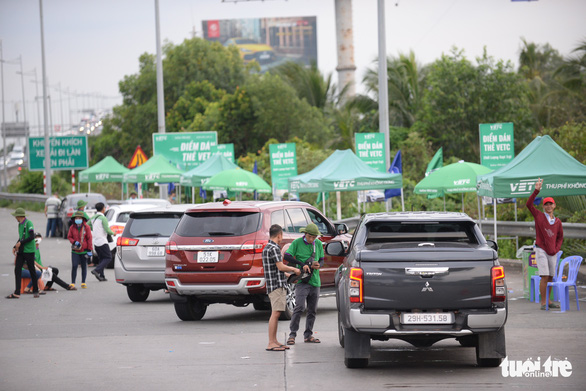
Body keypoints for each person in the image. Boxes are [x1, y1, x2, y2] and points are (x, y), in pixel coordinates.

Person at [262, 224, 301, 352]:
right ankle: (270, 343)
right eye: (281, 236)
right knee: (276, 313)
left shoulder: (267, 247)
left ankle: (274, 341)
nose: (281, 238)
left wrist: (286, 274)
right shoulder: (274, 248)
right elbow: (280, 266)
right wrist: (293, 269)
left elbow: (274, 268)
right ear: (279, 235)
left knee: (276, 313)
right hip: (276, 285)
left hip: (274, 283)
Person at [527, 178, 564, 310]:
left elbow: (560, 237)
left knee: (551, 276)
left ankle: (548, 301)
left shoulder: (558, 222)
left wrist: (556, 248)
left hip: (552, 251)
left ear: (554, 206)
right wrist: (536, 191)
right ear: (543, 206)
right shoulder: (539, 216)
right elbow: (529, 204)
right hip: (540, 249)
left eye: (551, 204)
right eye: (546, 204)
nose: (549, 206)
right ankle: (543, 303)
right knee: (544, 275)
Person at [285, 223, 324, 345]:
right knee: (299, 307)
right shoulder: (297, 243)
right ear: (305, 234)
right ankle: (292, 334)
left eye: (314, 237)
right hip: (302, 281)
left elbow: (322, 259)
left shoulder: (317, 244)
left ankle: (308, 335)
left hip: (315, 281)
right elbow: (287, 256)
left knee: (312, 310)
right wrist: (302, 264)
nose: (312, 239)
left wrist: (318, 265)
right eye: (310, 237)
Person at [6, 208, 40, 299]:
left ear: (20, 216)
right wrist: (15, 246)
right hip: (22, 250)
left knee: (32, 269)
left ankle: (36, 290)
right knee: (17, 269)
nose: (15, 218)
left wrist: (21, 243)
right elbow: (21, 237)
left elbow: (32, 236)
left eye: (16, 216)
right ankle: (17, 292)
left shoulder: (29, 223)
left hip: (29, 250)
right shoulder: (19, 225)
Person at [68, 211, 93, 289]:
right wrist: (74, 242)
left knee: (84, 266)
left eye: (79, 218)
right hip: (75, 250)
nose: (78, 219)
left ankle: (83, 282)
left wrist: (90, 250)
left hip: (84, 250)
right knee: (74, 265)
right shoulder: (72, 227)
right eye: (76, 218)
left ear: (83, 219)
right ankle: (72, 283)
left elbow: (89, 239)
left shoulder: (87, 227)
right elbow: (69, 237)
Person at [91, 202, 114, 282]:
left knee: (101, 259)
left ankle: (102, 276)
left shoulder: (93, 218)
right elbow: (107, 229)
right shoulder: (103, 218)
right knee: (108, 257)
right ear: (103, 208)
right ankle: (97, 270)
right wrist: (113, 233)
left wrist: (95, 231)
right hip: (102, 241)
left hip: (96, 242)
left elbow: (88, 226)